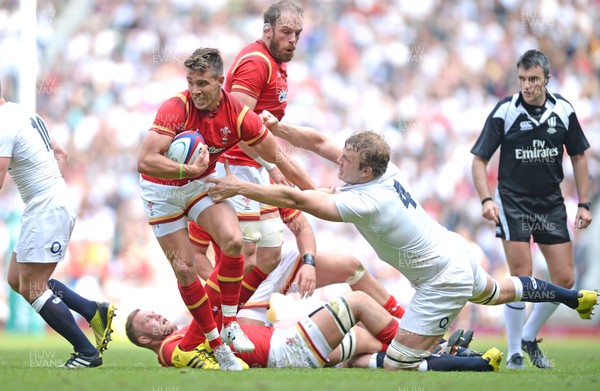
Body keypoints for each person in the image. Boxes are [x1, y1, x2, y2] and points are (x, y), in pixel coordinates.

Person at [206, 130, 599, 372]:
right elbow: (322, 143)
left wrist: (241, 187)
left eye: (347, 161)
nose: (338, 162)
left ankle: (477, 363)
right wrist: (270, 127)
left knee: (396, 364)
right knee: (498, 292)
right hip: (451, 250)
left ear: (365, 172)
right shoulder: (384, 171)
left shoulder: (366, 201)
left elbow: (302, 199)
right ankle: (574, 297)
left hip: (441, 277)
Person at [136, 47, 315, 370]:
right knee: (185, 269)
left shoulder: (239, 116)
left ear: (221, 81)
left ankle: (229, 323)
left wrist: (317, 196)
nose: (196, 90)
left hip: (195, 184)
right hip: (160, 191)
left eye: (203, 83)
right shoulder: (176, 107)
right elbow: (145, 160)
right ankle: (217, 346)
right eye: (191, 82)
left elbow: (279, 159)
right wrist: (186, 171)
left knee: (234, 243)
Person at [470, 49, 593, 369]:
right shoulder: (505, 111)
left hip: (551, 203)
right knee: (521, 277)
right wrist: (486, 199)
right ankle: (513, 353)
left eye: (533, 79)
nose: (527, 85)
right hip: (513, 202)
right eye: (522, 79)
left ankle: (528, 334)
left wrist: (584, 203)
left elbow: (579, 156)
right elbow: (479, 159)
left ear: (546, 79)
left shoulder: (563, 110)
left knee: (565, 279)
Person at [0, 83, 115, 368]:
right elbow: (60, 152)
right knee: (17, 279)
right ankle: (92, 310)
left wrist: (49, 193)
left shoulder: (2, 124)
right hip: (49, 202)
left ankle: (86, 352)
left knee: (33, 286)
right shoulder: (20, 112)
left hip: (47, 206)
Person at [188, 0, 305, 278]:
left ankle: (230, 313)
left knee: (269, 255)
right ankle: (217, 319)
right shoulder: (256, 62)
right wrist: (272, 167)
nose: (292, 40)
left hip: (255, 167)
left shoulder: (275, 63)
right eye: (286, 32)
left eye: (297, 34)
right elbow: (235, 127)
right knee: (244, 257)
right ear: (267, 30)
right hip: (234, 165)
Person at [125, 290, 500, 371]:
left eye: (155, 313)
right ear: (145, 339)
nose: (158, 318)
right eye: (149, 322)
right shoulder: (169, 349)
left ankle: (463, 363)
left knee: (366, 350)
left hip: (282, 346)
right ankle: (429, 349)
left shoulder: (185, 335)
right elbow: (202, 334)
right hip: (284, 352)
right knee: (355, 302)